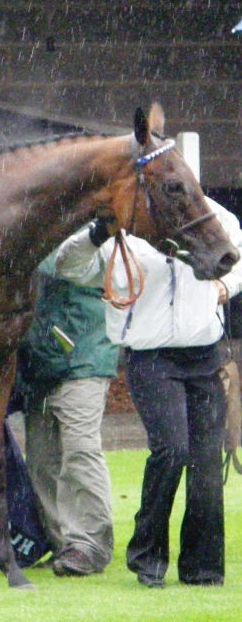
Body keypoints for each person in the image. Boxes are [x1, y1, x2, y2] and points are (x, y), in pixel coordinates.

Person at [54, 197, 242, 588]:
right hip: (151, 357)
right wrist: (97, 232)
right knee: (172, 450)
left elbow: (237, 251)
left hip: (205, 354)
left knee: (206, 465)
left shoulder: (208, 212)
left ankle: (203, 569)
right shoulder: (121, 226)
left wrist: (226, 286)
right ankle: (147, 556)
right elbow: (69, 265)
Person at [15, 249, 119, 577]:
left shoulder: (94, 233)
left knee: (80, 449)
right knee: (42, 458)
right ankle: (63, 543)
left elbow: (55, 261)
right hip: (42, 358)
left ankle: (91, 544)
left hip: (85, 355)